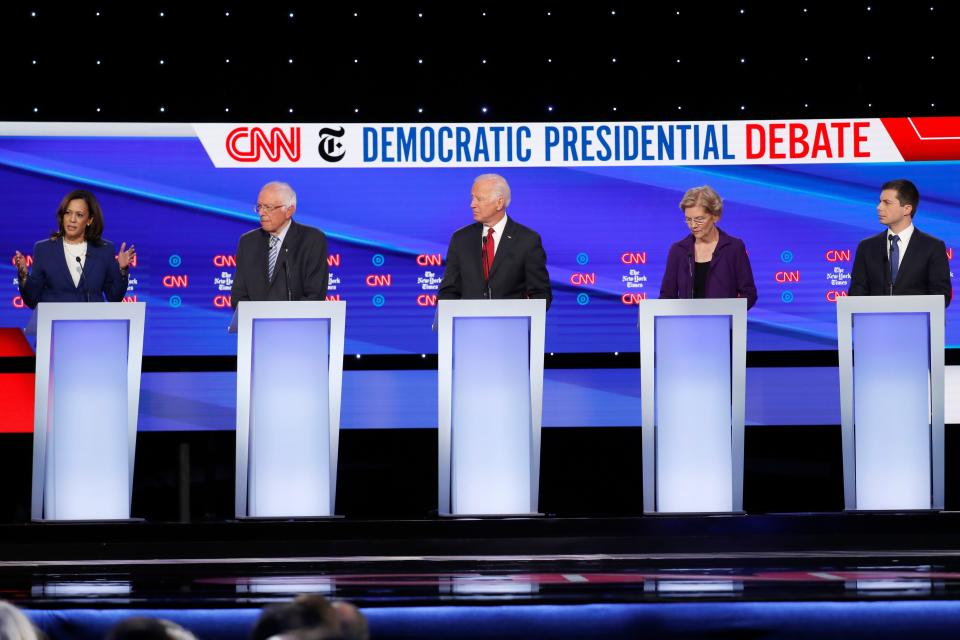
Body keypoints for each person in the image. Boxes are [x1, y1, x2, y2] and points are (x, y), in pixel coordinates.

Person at [437, 174, 551, 309]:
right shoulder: (461, 239)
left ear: (499, 203)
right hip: (469, 327)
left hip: (512, 327)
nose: (472, 205)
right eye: (472, 198)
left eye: (479, 199)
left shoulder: (527, 240)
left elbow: (540, 294)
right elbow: (448, 291)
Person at [13, 190, 134, 308]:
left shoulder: (104, 249)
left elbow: (114, 297)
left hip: (92, 325)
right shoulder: (44, 249)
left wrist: (122, 270)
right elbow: (32, 300)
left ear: (89, 220)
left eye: (79, 215)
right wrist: (24, 275)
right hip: (53, 324)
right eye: (68, 213)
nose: (72, 219)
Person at [848, 178, 952, 307]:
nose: (879, 207)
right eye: (880, 202)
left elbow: (941, 296)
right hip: (874, 324)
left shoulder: (933, 247)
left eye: (887, 202)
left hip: (917, 325)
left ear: (907, 209)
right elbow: (856, 293)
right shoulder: (866, 247)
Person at [231, 181, 329, 307]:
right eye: (259, 207)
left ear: (289, 211)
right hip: (256, 324)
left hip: (298, 324)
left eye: (268, 207)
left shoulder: (312, 240)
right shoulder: (248, 242)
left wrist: (285, 321)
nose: (261, 213)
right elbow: (238, 295)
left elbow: (315, 295)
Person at [659, 185, 757, 309]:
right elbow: (667, 296)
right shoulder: (678, 250)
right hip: (685, 326)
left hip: (724, 326)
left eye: (699, 219)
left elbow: (749, 294)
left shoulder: (734, 248)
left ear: (715, 216)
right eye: (688, 219)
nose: (693, 225)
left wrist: (729, 315)